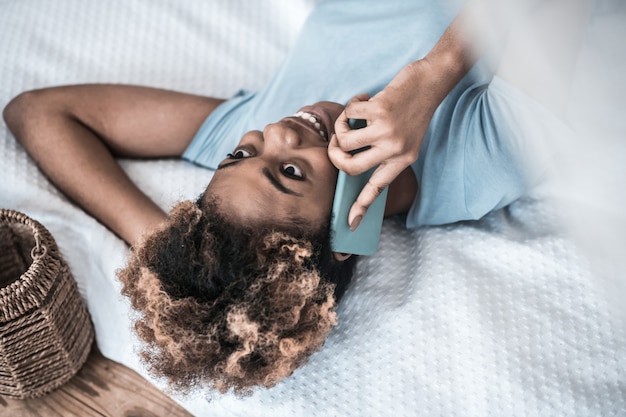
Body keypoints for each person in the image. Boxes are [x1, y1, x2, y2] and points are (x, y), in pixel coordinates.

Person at [2, 0, 591, 395]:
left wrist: (163, 246)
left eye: (239, 155)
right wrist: (435, 73)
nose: (275, 132)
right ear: (349, 230)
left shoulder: (259, 135)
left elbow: (38, 112)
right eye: (289, 171)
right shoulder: (483, 157)